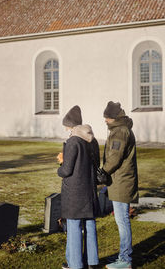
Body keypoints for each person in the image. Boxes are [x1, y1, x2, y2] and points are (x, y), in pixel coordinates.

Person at [57, 105, 100, 269]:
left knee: (74, 226)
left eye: (67, 126)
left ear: (72, 125)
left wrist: (59, 166)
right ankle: (92, 262)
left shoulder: (73, 141)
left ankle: (75, 264)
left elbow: (67, 170)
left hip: (75, 191)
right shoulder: (92, 140)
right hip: (89, 189)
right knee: (89, 224)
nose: (66, 129)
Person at [102, 101, 138, 269]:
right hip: (120, 180)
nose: (105, 120)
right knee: (121, 220)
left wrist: (103, 172)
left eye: (106, 117)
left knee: (122, 220)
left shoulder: (120, 131)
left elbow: (115, 157)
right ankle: (122, 256)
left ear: (113, 117)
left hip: (121, 181)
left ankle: (125, 260)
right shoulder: (120, 130)